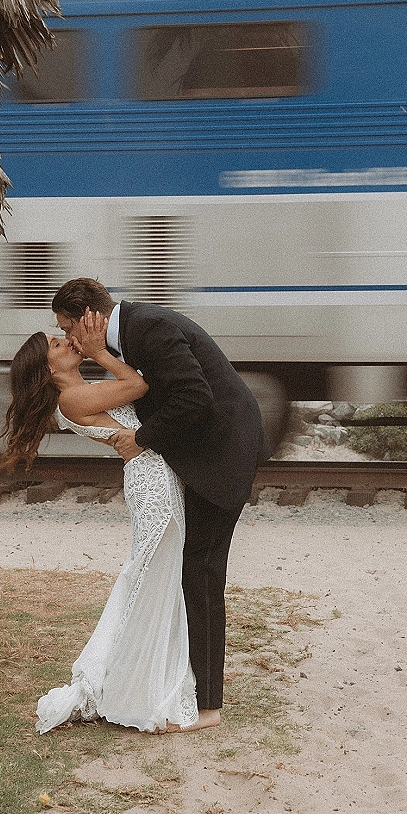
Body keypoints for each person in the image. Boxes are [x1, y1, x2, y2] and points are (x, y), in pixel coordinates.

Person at [52, 278, 272, 731]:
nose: (67, 338)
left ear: (87, 319)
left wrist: (141, 438)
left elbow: (194, 395)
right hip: (204, 457)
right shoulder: (135, 332)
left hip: (220, 456)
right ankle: (190, 689)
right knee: (192, 571)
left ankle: (208, 708)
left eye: (65, 327)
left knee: (201, 572)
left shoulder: (147, 329)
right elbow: (158, 392)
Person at [0, 312, 199, 733]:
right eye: (56, 344)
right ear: (49, 369)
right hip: (150, 482)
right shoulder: (72, 400)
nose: (66, 341)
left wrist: (98, 352)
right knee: (148, 580)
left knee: (149, 579)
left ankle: (133, 678)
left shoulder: (80, 392)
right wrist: (99, 351)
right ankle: (133, 687)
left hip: (154, 477)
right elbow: (139, 384)